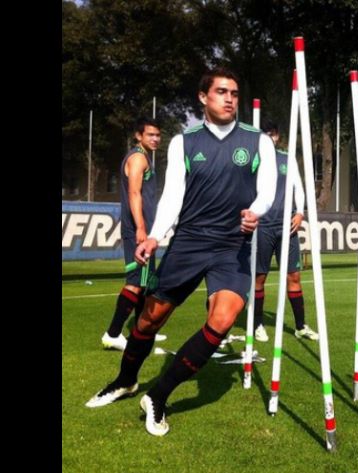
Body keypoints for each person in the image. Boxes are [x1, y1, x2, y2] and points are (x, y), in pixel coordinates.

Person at [86, 67, 277, 437]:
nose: (229, 99)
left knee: (223, 319)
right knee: (149, 320)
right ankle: (125, 380)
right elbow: (173, 195)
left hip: (234, 245)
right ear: (203, 97)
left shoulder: (258, 141)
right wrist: (155, 236)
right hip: (189, 241)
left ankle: (157, 396)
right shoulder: (183, 142)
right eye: (221, 92)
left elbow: (267, 189)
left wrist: (256, 211)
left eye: (234, 93)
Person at [100, 117, 167, 350]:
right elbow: (134, 193)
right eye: (150, 135)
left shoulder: (144, 156)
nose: (155, 139)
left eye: (158, 135)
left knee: (146, 282)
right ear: (139, 136)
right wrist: (140, 227)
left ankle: (142, 331)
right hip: (138, 230)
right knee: (136, 281)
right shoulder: (138, 158)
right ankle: (113, 333)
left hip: (144, 229)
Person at [251, 119, 319, 342]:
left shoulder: (287, 159)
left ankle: (300, 326)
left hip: (287, 227)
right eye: (265, 134)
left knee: (294, 276)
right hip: (263, 226)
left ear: (278, 136)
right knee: (259, 277)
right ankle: (257, 324)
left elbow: (298, 187)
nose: (270, 137)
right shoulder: (254, 159)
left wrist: (299, 212)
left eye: (273, 133)